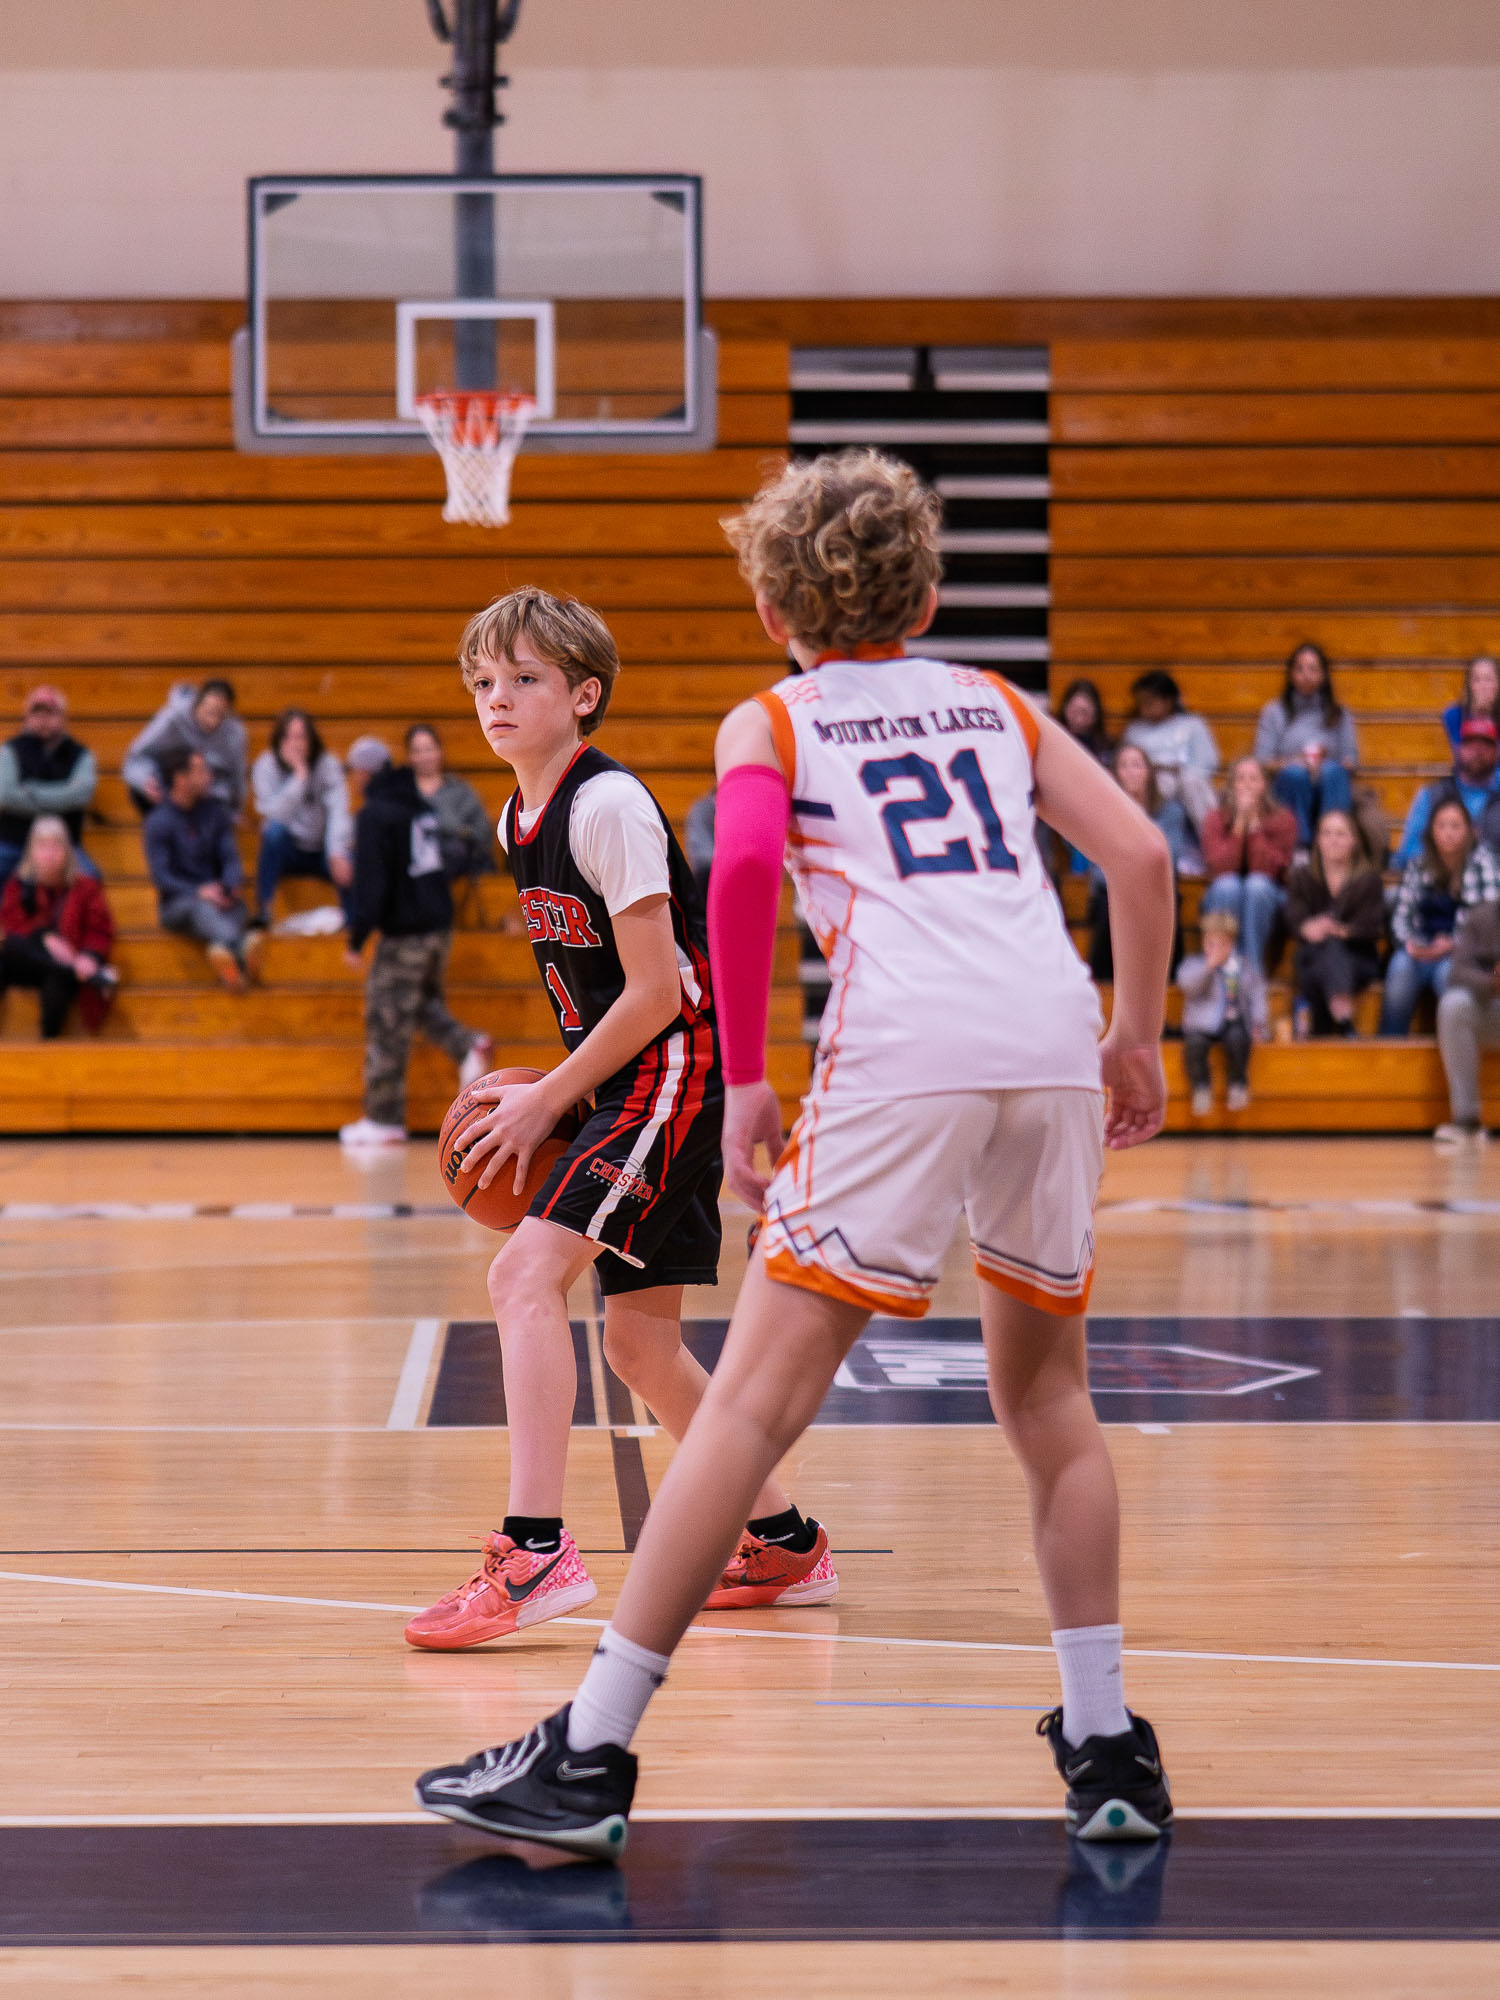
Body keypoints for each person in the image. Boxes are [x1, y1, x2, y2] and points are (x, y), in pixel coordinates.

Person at [416, 449, 1176, 1855]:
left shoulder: (773, 720)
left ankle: (587, 1756)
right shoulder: (999, 703)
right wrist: (1136, 1034)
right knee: (1047, 1401)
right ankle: (1107, 1740)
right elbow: (1136, 858)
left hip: (907, 1055)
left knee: (753, 1405)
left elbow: (751, 874)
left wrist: (754, 1078)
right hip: (1054, 1040)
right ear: (932, 589)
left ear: (772, 611)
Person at [404, 586, 833, 1651]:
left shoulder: (606, 807)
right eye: (485, 681)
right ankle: (783, 1538)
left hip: (674, 1069)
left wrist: (552, 1094)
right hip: (637, 1076)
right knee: (641, 1346)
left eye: (525, 679)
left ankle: (536, 1549)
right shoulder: (519, 811)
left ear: (584, 694)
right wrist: (552, 1078)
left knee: (521, 1276)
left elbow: (654, 992)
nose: (497, 699)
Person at [336, 736, 492, 1148]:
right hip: (439, 925)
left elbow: (372, 885)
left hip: (404, 932)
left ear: (364, 772)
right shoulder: (417, 804)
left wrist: (357, 939)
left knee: (386, 1018)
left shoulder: (375, 814)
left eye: (353, 771)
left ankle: (383, 1118)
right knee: (418, 1005)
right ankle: (467, 1044)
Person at [1381, 798, 1500, 1037]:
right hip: (1421, 948)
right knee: (1399, 970)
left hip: (1462, 953)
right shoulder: (1418, 865)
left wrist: (1452, 944)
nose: (1448, 833)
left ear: (1469, 831)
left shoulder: (1483, 865)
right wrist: (1411, 944)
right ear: (1431, 831)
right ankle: (1388, 1052)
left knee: (1450, 979)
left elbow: (1486, 922)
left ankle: (1454, 1053)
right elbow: (1402, 915)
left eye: (1455, 826)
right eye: (1441, 826)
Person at [143, 746, 258, 991]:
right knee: (202, 910)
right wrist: (199, 891)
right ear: (180, 778)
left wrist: (230, 886)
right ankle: (240, 952)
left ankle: (225, 958)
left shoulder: (215, 813)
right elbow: (162, 877)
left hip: (217, 897)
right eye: (201, 770)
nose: (209, 776)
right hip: (179, 903)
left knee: (238, 908)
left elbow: (230, 857)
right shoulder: (158, 821)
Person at [0, 815, 116, 1037]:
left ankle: (50, 1050)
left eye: (56, 846)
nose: (49, 854)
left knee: (57, 981)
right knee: (13, 947)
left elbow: (100, 929)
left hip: (63, 969)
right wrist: (46, 939)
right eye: (42, 846)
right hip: (27, 962)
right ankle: (76, 970)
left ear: (68, 852)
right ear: (31, 852)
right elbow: (13, 926)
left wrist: (90, 956)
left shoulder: (86, 887)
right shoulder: (18, 884)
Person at [1085, 742, 1189, 983]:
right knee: (1107, 904)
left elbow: (1168, 859)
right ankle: (1105, 982)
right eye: (1125, 766)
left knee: (1170, 901)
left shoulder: (1170, 811)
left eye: (1138, 765)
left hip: (1155, 888)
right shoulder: (1104, 814)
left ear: (1149, 772)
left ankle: (1168, 980)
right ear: (1116, 774)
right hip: (1115, 889)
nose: (1132, 771)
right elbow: (1100, 870)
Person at [1282, 809, 1385, 1038]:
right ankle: (1343, 1018)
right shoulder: (1301, 876)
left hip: (1358, 958)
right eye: (1326, 834)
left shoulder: (1369, 880)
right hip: (1312, 955)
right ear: (1318, 840)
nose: (1333, 840)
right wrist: (1307, 928)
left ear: (1354, 841)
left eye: (1340, 834)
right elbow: (1293, 918)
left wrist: (1338, 931)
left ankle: (1321, 1031)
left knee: (1330, 948)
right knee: (1321, 954)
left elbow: (1372, 926)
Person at [250, 708, 354, 926]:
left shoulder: (328, 765)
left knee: (349, 859)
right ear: (279, 740)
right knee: (273, 833)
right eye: (288, 736)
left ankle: (354, 921)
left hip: (321, 849)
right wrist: (299, 777)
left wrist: (337, 851)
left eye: (300, 737)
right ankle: (264, 909)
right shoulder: (266, 765)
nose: (294, 744)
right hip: (289, 850)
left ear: (311, 740)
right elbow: (273, 814)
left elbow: (339, 811)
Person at [1253, 642, 1360, 847]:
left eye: (1313, 669)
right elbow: (1262, 762)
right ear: (1291, 674)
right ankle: (1300, 846)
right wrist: (1295, 761)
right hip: (1290, 781)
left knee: (1333, 772)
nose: (1306, 675)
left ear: (1323, 675)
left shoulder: (1339, 713)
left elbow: (1351, 761)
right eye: (1300, 669)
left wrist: (1327, 762)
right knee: (1296, 774)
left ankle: (1333, 842)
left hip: (1327, 781)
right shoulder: (1275, 712)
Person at [1198, 757, 1299, 973]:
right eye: (1240, 779)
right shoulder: (1215, 818)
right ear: (1232, 785)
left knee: (1257, 885)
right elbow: (1219, 868)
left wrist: (1253, 827)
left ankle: (1252, 973)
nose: (1246, 785)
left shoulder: (1283, 819)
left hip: (1269, 895)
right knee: (1228, 885)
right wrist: (1238, 827)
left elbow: (1269, 870)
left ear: (1265, 785)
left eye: (1254, 779)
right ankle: (1224, 969)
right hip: (1222, 893)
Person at [0, 686, 99, 884]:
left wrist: (31, 791)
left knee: (91, 878)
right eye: (37, 713)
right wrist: (61, 797)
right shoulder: (10, 750)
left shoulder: (81, 754)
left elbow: (81, 795)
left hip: (65, 846)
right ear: (27, 717)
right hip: (14, 842)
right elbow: (5, 795)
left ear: (63, 717)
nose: (43, 719)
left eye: (50, 713)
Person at [1177, 909, 1267, 1116]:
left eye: (1221, 944)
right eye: (1210, 943)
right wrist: (1208, 967)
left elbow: (1256, 994)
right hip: (1202, 1024)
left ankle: (1237, 1084)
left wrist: (1258, 1022)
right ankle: (1201, 1088)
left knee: (1238, 1040)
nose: (1216, 949)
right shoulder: (1195, 965)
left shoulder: (1243, 967)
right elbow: (1189, 986)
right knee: (1195, 1046)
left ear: (1231, 944)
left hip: (1233, 1020)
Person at [123, 678, 248, 819]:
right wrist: (145, 779)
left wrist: (235, 809)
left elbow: (236, 775)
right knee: (139, 791)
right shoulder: (172, 718)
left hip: (209, 794)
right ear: (197, 704)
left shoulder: (235, 732)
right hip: (169, 790)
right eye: (209, 712)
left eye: (220, 714)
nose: (213, 721)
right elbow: (136, 757)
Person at [1433, 901, 1500, 1145]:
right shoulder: (1481, 916)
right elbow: (1457, 971)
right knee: (1454, 1005)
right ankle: (1467, 1120)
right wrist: (1493, 981)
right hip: (1493, 1009)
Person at [1120, 669, 1219, 833]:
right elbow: (1125, 762)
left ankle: (1211, 839)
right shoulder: (1134, 730)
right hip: (1152, 784)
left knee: (1191, 781)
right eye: (1141, 704)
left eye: (1149, 703)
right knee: (1160, 781)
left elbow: (1207, 763)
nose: (1144, 709)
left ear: (1168, 700)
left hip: (1187, 782)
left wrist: (1178, 770)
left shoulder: (1193, 725)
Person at [1394, 719, 1500, 867]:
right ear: (1458, 749)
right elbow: (1411, 851)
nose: (1478, 752)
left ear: (1497, 752)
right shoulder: (1432, 795)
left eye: (1485, 745)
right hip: (1441, 881)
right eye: (1471, 744)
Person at [405, 723, 495, 882]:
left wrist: (457, 829)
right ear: (409, 756)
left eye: (429, 749)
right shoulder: (401, 793)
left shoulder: (460, 791)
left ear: (439, 751)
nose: (424, 756)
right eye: (417, 751)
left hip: (456, 866)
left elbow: (483, 834)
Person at [1441, 654, 1500, 756]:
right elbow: (1463, 756)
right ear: (1469, 685)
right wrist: (1477, 713)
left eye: (1488, 679)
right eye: (1477, 680)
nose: (1483, 686)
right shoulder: (1454, 715)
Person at [1055, 679, 1113, 763]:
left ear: (1096, 712)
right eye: (1075, 711)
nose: (1079, 719)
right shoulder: (1054, 742)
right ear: (1065, 709)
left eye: (1084, 712)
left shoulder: (1106, 748)